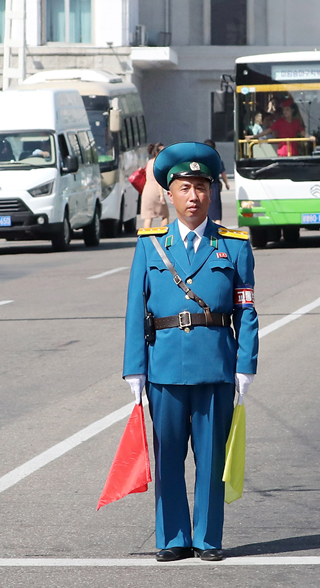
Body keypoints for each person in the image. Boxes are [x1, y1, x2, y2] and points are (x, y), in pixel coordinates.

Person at [122, 142, 259, 563]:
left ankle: (206, 538)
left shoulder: (233, 246)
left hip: (215, 366)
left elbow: (246, 308)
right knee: (168, 459)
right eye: (185, 187)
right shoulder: (150, 245)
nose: (194, 196)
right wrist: (134, 369)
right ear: (169, 193)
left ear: (212, 192)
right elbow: (134, 309)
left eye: (201, 186)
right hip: (163, 368)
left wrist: (245, 364)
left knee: (212, 459)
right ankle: (172, 537)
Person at [140, 143, 170, 229]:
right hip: (156, 191)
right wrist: (161, 196)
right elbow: (158, 181)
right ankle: (164, 235)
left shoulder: (149, 162)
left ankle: (147, 238)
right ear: (157, 153)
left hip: (147, 191)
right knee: (165, 215)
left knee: (148, 217)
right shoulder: (158, 163)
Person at [201, 139, 231, 223]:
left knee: (205, 210)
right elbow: (223, 174)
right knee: (216, 213)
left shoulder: (201, 161)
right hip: (214, 186)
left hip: (203, 186)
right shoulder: (217, 161)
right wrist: (226, 184)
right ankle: (216, 232)